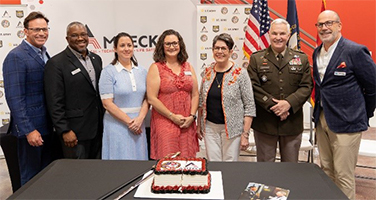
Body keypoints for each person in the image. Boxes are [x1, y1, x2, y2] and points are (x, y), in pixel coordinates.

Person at [312, 10, 376, 200]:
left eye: (329, 23)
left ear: (339, 25)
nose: (324, 28)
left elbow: (372, 86)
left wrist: (365, 113)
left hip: (347, 123)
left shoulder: (355, 51)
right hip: (323, 118)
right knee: (326, 169)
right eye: (320, 25)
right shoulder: (317, 52)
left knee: (343, 174)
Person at [247, 18, 313, 162]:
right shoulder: (257, 59)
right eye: (275, 33)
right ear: (269, 35)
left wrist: (288, 104)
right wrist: (275, 106)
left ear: (289, 35)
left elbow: (307, 86)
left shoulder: (301, 59)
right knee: (265, 170)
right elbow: (253, 86)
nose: (278, 37)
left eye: (282, 34)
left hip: (291, 123)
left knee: (289, 171)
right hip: (265, 123)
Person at [2, 11, 53, 185]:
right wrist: (28, 130)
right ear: (25, 31)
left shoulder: (44, 53)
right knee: (31, 178)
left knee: (47, 176)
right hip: (32, 130)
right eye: (36, 29)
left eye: (44, 29)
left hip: (47, 126)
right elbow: (14, 97)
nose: (41, 33)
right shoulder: (16, 56)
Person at [44, 21, 104, 159]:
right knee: (78, 174)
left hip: (98, 128)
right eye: (74, 35)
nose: (80, 38)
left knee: (98, 172)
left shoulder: (96, 59)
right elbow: (54, 101)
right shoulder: (56, 63)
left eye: (83, 34)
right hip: (75, 132)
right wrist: (64, 130)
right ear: (67, 39)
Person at [197, 33, 256, 161]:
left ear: (230, 51)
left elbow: (250, 106)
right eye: (216, 48)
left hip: (232, 130)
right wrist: (199, 125)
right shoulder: (207, 72)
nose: (219, 52)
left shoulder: (240, 74)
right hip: (210, 128)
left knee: (230, 165)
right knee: (214, 165)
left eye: (223, 48)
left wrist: (245, 134)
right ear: (212, 51)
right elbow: (201, 101)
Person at [147, 29, 199, 160]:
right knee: (168, 163)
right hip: (165, 122)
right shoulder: (156, 68)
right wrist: (172, 116)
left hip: (186, 123)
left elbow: (195, 94)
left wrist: (192, 117)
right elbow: (152, 98)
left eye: (175, 43)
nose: (172, 47)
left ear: (180, 45)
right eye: (168, 44)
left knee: (188, 163)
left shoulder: (188, 66)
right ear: (162, 47)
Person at [98, 32, 149, 160]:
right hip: (117, 126)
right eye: (122, 45)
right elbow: (107, 103)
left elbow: (147, 99)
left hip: (139, 125)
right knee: (119, 162)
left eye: (129, 45)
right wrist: (130, 123)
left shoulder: (142, 71)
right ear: (115, 49)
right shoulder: (108, 72)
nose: (126, 49)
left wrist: (139, 120)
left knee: (139, 161)